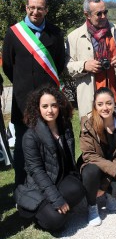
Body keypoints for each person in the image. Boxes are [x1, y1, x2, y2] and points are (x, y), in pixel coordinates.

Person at [3, 0, 65, 186]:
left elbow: (60, 64)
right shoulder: (13, 33)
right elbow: (7, 66)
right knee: (23, 146)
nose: (35, 12)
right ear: (26, 8)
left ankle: (54, 184)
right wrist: (24, 83)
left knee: (51, 143)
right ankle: (22, 189)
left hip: (49, 102)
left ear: (46, 10)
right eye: (32, 8)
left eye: (40, 8)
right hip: (23, 102)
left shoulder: (55, 33)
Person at [14, 86, 85, 231]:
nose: (50, 110)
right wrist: (57, 200)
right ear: (37, 108)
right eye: (45, 106)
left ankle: (55, 208)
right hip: (40, 186)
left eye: (53, 105)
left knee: (78, 188)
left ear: (59, 106)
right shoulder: (30, 136)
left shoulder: (65, 127)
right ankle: (40, 211)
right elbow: (37, 171)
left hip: (60, 180)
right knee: (56, 221)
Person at [66, 0, 116, 119]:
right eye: (99, 14)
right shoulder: (74, 37)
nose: (104, 17)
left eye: (105, 12)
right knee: (92, 138)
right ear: (87, 15)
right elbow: (68, 66)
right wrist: (84, 65)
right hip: (91, 103)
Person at [79, 87, 116, 227]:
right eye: (100, 104)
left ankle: (108, 194)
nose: (105, 108)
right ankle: (92, 206)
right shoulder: (87, 123)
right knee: (91, 171)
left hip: (113, 166)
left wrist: (103, 186)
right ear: (95, 106)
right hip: (93, 165)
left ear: (114, 104)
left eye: (109, 103)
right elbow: (90, 155)